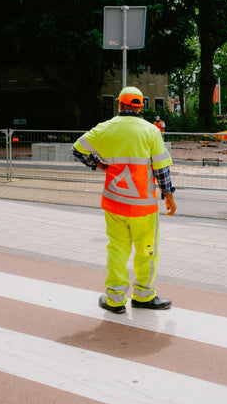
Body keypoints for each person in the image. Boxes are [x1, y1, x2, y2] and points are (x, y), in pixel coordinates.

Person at [72, 86, 177, 315]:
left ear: (119, 104)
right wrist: (168, 195)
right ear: (140, 106)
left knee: (117, 250)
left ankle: (115, 299)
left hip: (115, 203)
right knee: (147, 250)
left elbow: (77, 150)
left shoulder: (104, 129)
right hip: (144, 207)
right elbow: (161, 169)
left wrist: (99, 165)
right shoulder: (151, 131)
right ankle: (143, 295)